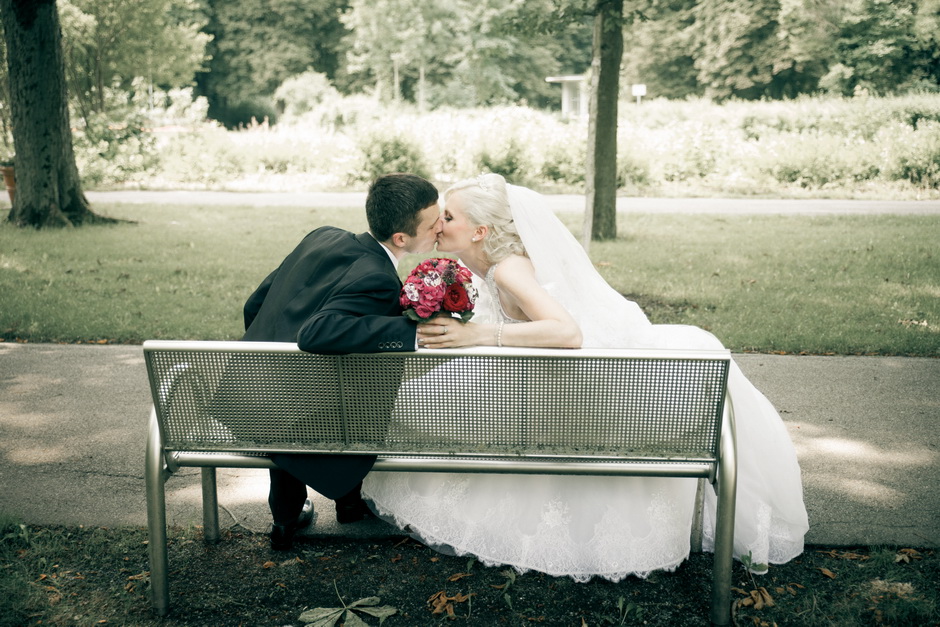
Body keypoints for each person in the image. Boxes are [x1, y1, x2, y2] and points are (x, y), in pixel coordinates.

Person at [362, 172, 808, 580]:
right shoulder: (486, 266)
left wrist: (481, 333)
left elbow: (566, 331)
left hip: (585, 385)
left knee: (421, 405)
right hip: (556, 381)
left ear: (480, 231)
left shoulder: (510, 267)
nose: (438, 223)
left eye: (449, 216)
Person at [242, 172, 441, 550]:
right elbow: (317, 332)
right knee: (360, 398)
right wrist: (413, 334)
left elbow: (255, 303)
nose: (440, 228)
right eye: (433, 224)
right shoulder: (380, 279)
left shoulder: (323, 236)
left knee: (317, 394)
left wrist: (270, 361)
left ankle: (285, 519)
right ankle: (348, 500)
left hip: (255, 396)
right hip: (299, 416)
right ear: (402, 239)